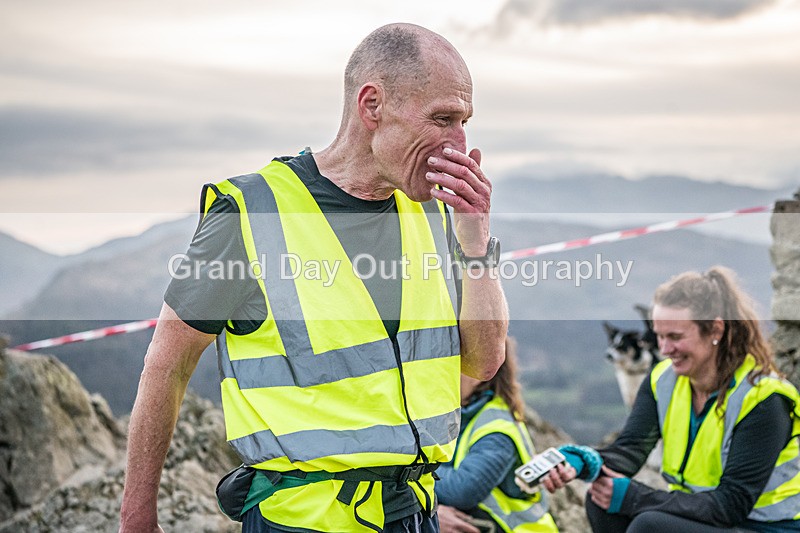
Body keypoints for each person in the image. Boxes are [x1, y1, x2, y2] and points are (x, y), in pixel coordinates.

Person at [119, 23, 509, 533]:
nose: (458, 142)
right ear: (372, 105)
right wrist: (136, 517)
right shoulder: (251, 213)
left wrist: (477, 249)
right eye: (442, 119)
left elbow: (483, 361)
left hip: (414, 516)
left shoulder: (439, 217)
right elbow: (167, 366)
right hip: (301, 521)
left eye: (465, 122)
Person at [545, 266, 800, 532]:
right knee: (602, 501)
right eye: (659, 336)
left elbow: (730, 505)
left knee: (649, 525)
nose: (665, 350)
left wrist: (635, 498)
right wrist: (578, 462)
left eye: (675, 337)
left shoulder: (764, 399)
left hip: (765, 526)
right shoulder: (663, 380)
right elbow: (630, 449)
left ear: (715, 330)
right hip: (703, 515)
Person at [435, 337, 561, 533]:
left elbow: (462, 491)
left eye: (452, 364)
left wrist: (415, 474)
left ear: (478, 373)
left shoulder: (497, 428)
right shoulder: (464, 414)